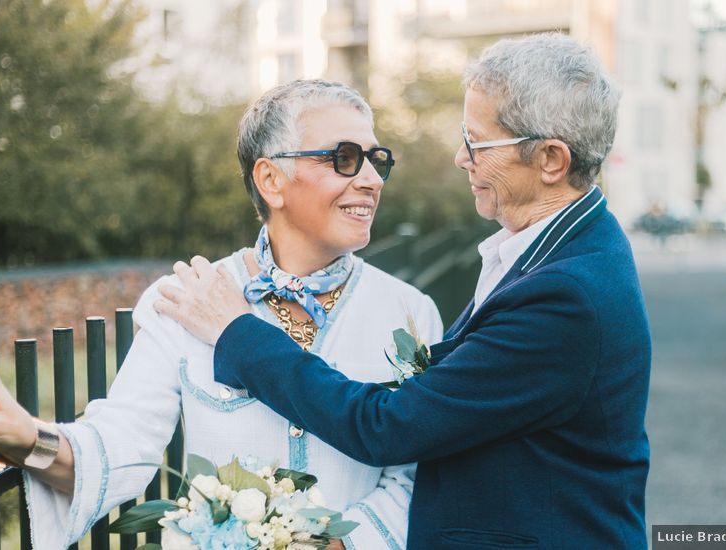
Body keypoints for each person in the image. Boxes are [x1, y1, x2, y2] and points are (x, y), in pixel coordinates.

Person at [160, 33, 652, 549]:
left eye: (477, 143)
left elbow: (388, 429)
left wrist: (239, 332)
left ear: (551, 159)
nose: (462, 158)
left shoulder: (566, 296)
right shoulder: (564, 248)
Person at [0, 79, 442, 549]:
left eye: (377, 160)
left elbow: (414, 477)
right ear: (271, 179)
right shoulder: (180, 302)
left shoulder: (410, 312)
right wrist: (28, 440)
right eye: (345, 158)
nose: (373, 180)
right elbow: (118, 450)